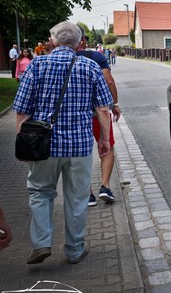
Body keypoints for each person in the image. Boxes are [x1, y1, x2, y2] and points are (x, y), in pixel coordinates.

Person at [13, 21, 113, 265]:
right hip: (78, 146)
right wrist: (103, 141)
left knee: (40, 192)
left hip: (43, 145)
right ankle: (75, 250)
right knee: (77, 198)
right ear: (79, 43)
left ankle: (41, 244)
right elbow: (102, 109)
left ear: (53, 41)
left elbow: (22, 111)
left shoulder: (36, 65)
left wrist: (23, 141)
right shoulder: (90, 66)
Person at [77, 33, 121, 206]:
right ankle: (105, 186)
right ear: (83, 41)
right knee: (107, 147)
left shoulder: (60, 59)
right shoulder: (95, 56)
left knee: (81, 152)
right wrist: (115, 103)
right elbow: (109, 80)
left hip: (77, 115)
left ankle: (87, 194)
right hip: (98, 113)